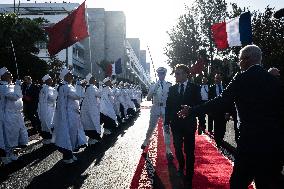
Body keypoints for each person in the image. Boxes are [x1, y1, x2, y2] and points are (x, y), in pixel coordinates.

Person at [178, 45, 284, 189]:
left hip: (249, 142)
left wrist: (192, 110)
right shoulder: (275, 82)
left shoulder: (241, 78)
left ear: (246, 60)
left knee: (238, 183)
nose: (239, 63)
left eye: (240, 60)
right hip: (273, 144)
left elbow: (221, 101)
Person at [165, 64, 201, 188]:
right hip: (176, 125)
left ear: (186, 74)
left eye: (179, 73)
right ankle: (181, 165)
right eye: (175, 73)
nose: (176, 75)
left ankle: (189, 176)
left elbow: (199, 105)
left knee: (189, 151)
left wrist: (202, 123)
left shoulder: (195, 88)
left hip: (189, 125)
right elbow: (168, 107)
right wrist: (166, 121)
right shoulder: (172, 89)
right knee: (178, 147)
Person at [53, 68, 87, 164]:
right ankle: (67, 156)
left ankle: (70, 154)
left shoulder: (67, 86)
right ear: (65, 76)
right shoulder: (66, 87)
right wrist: (81, 87)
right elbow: (77, 96)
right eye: (70, 74)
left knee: (72, 133)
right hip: (69, 114)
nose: (72, 76)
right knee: (69, 134)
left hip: (72, 113)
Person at [141, 67, 174, 161]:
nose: (161, 75)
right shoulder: (153, 85)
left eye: (163, 74)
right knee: (151, 126)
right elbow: (148, 98)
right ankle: (146, 141)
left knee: (167, 128)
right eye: (159, 74)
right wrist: (153, 89)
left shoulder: (169, 85)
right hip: (155, 108)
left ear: (165, 74)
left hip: (165, 108)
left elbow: (171, 98)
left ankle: (168, 150)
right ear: (158, 74)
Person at [1, 68, 28, 162]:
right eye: (8, 73)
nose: (11, 75)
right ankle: (6, 155)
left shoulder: (10, 86)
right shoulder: (3, 87)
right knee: (9, 136)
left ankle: (12, 152)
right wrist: (17, 86)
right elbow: (16, 97)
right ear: (3, 76)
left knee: (15, 134)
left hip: (17, 115)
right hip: (8, 115)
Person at [80, 73, 102, 145]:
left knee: (89, 123)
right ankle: (93, 139)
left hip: (87, 108)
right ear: (91, 80)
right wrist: (101, 86)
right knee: (93, 123)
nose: (95, 80)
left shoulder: (87, 87)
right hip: (92, 109)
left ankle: (92, 138)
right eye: (94, 79)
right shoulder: (92, 87)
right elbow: (100, 94)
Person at [37, 74, 57, 145]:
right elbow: (52, 98)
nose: (52, 80)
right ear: (46, 81)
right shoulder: (47, 88)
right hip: (48, 109)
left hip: (45, 108)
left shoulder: (44, 88)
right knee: (49, 124)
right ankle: (50, 138)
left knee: (46, 124)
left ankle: (48, 138)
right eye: (50, 79)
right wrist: (56, 92)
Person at [208, 73, 227, 147]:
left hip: (224, 110)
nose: (217, 80)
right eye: (216, 78)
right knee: (216, 125)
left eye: (219, 78)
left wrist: (228, 111)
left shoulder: (225, 87)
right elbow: (209, 100)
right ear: (214, 79)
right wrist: (209, 110)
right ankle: (217, 141)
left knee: (223, 126)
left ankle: (221, 138)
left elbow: (228, 100)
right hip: (215, 111)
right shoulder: (211, 88)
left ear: (221, 79)